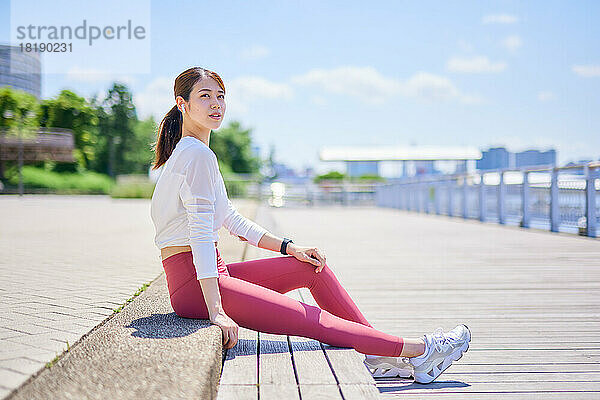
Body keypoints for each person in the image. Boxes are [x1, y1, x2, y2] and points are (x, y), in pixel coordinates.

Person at [149, 67, 471, 384]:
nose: (216, 103)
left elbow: (231, 219)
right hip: (197, 285)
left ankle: (375, 352)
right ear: (183, 104)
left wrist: (291, 248)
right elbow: (202, 236)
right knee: (313, 321)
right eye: (205, 96)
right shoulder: (196, 156)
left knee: (309, 268)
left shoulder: (194, 152)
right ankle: (420, 350)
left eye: (220, 96)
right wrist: (216, 310)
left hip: (210, 276)